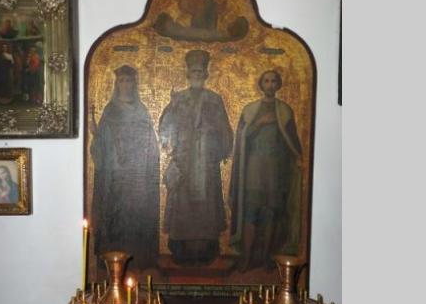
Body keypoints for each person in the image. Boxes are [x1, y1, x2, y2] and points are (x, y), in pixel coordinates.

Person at [158, 50, 233, 265]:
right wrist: (171, 107)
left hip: (206, 161)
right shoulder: (179, 98)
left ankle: (206, 249)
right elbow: (164, 127)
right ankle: (181, 248)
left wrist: (218, 144)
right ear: (188, 74)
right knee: (182, 204)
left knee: (206, 206)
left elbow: (225, 129)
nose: (197, 75)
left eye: (200, 71)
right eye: (193, 71)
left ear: (206, 74)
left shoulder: (214, 99)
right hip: (184, 161)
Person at [228, 70, 303, 272]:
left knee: (271, 213)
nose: (270, 84)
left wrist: (298, 156)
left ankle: (266, 256)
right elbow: (242, 138)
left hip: (275, 170)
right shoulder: (250, 110)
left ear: (278, 85)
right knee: (251, 211)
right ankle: (246, 257)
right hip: (253, 168)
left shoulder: (285, 111)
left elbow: (291, 139)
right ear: (261, 85)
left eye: (273, 81)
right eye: (266, 81)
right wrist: (260, 123)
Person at [90, 65, 160, 270]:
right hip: (115, 174)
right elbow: (102, 145)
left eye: (129, 80)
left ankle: (136, 258)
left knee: (136, 212)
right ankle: (113, 258)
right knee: (116, 214)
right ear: (116, 84)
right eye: (121, 81)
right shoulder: (110, 110)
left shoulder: (142, 110)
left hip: (137, 174)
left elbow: (150, 143)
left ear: (134, 84)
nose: (125, 85)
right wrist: (96, 135)